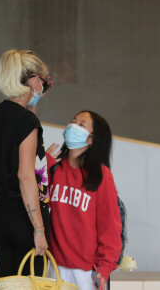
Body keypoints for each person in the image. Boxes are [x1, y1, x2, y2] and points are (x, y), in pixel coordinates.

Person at [0, 49, 52, 277]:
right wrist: (39, 229)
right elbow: (25, 175)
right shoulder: (27, 121)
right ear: (32, 80)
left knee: (9, 281)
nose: (44, 86)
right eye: (42, 80)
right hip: (25, 217)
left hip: (2, 216)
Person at [46, 111, 122, 290]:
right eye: (73, 121)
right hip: (55, 266)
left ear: (91, 139)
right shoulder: (55, 168)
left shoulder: (101, 176)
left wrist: (104, 268)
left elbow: (110, 226)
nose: (73, 126)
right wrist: (44, 168)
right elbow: (39, 204)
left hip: (87, 272)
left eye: (81, 125)